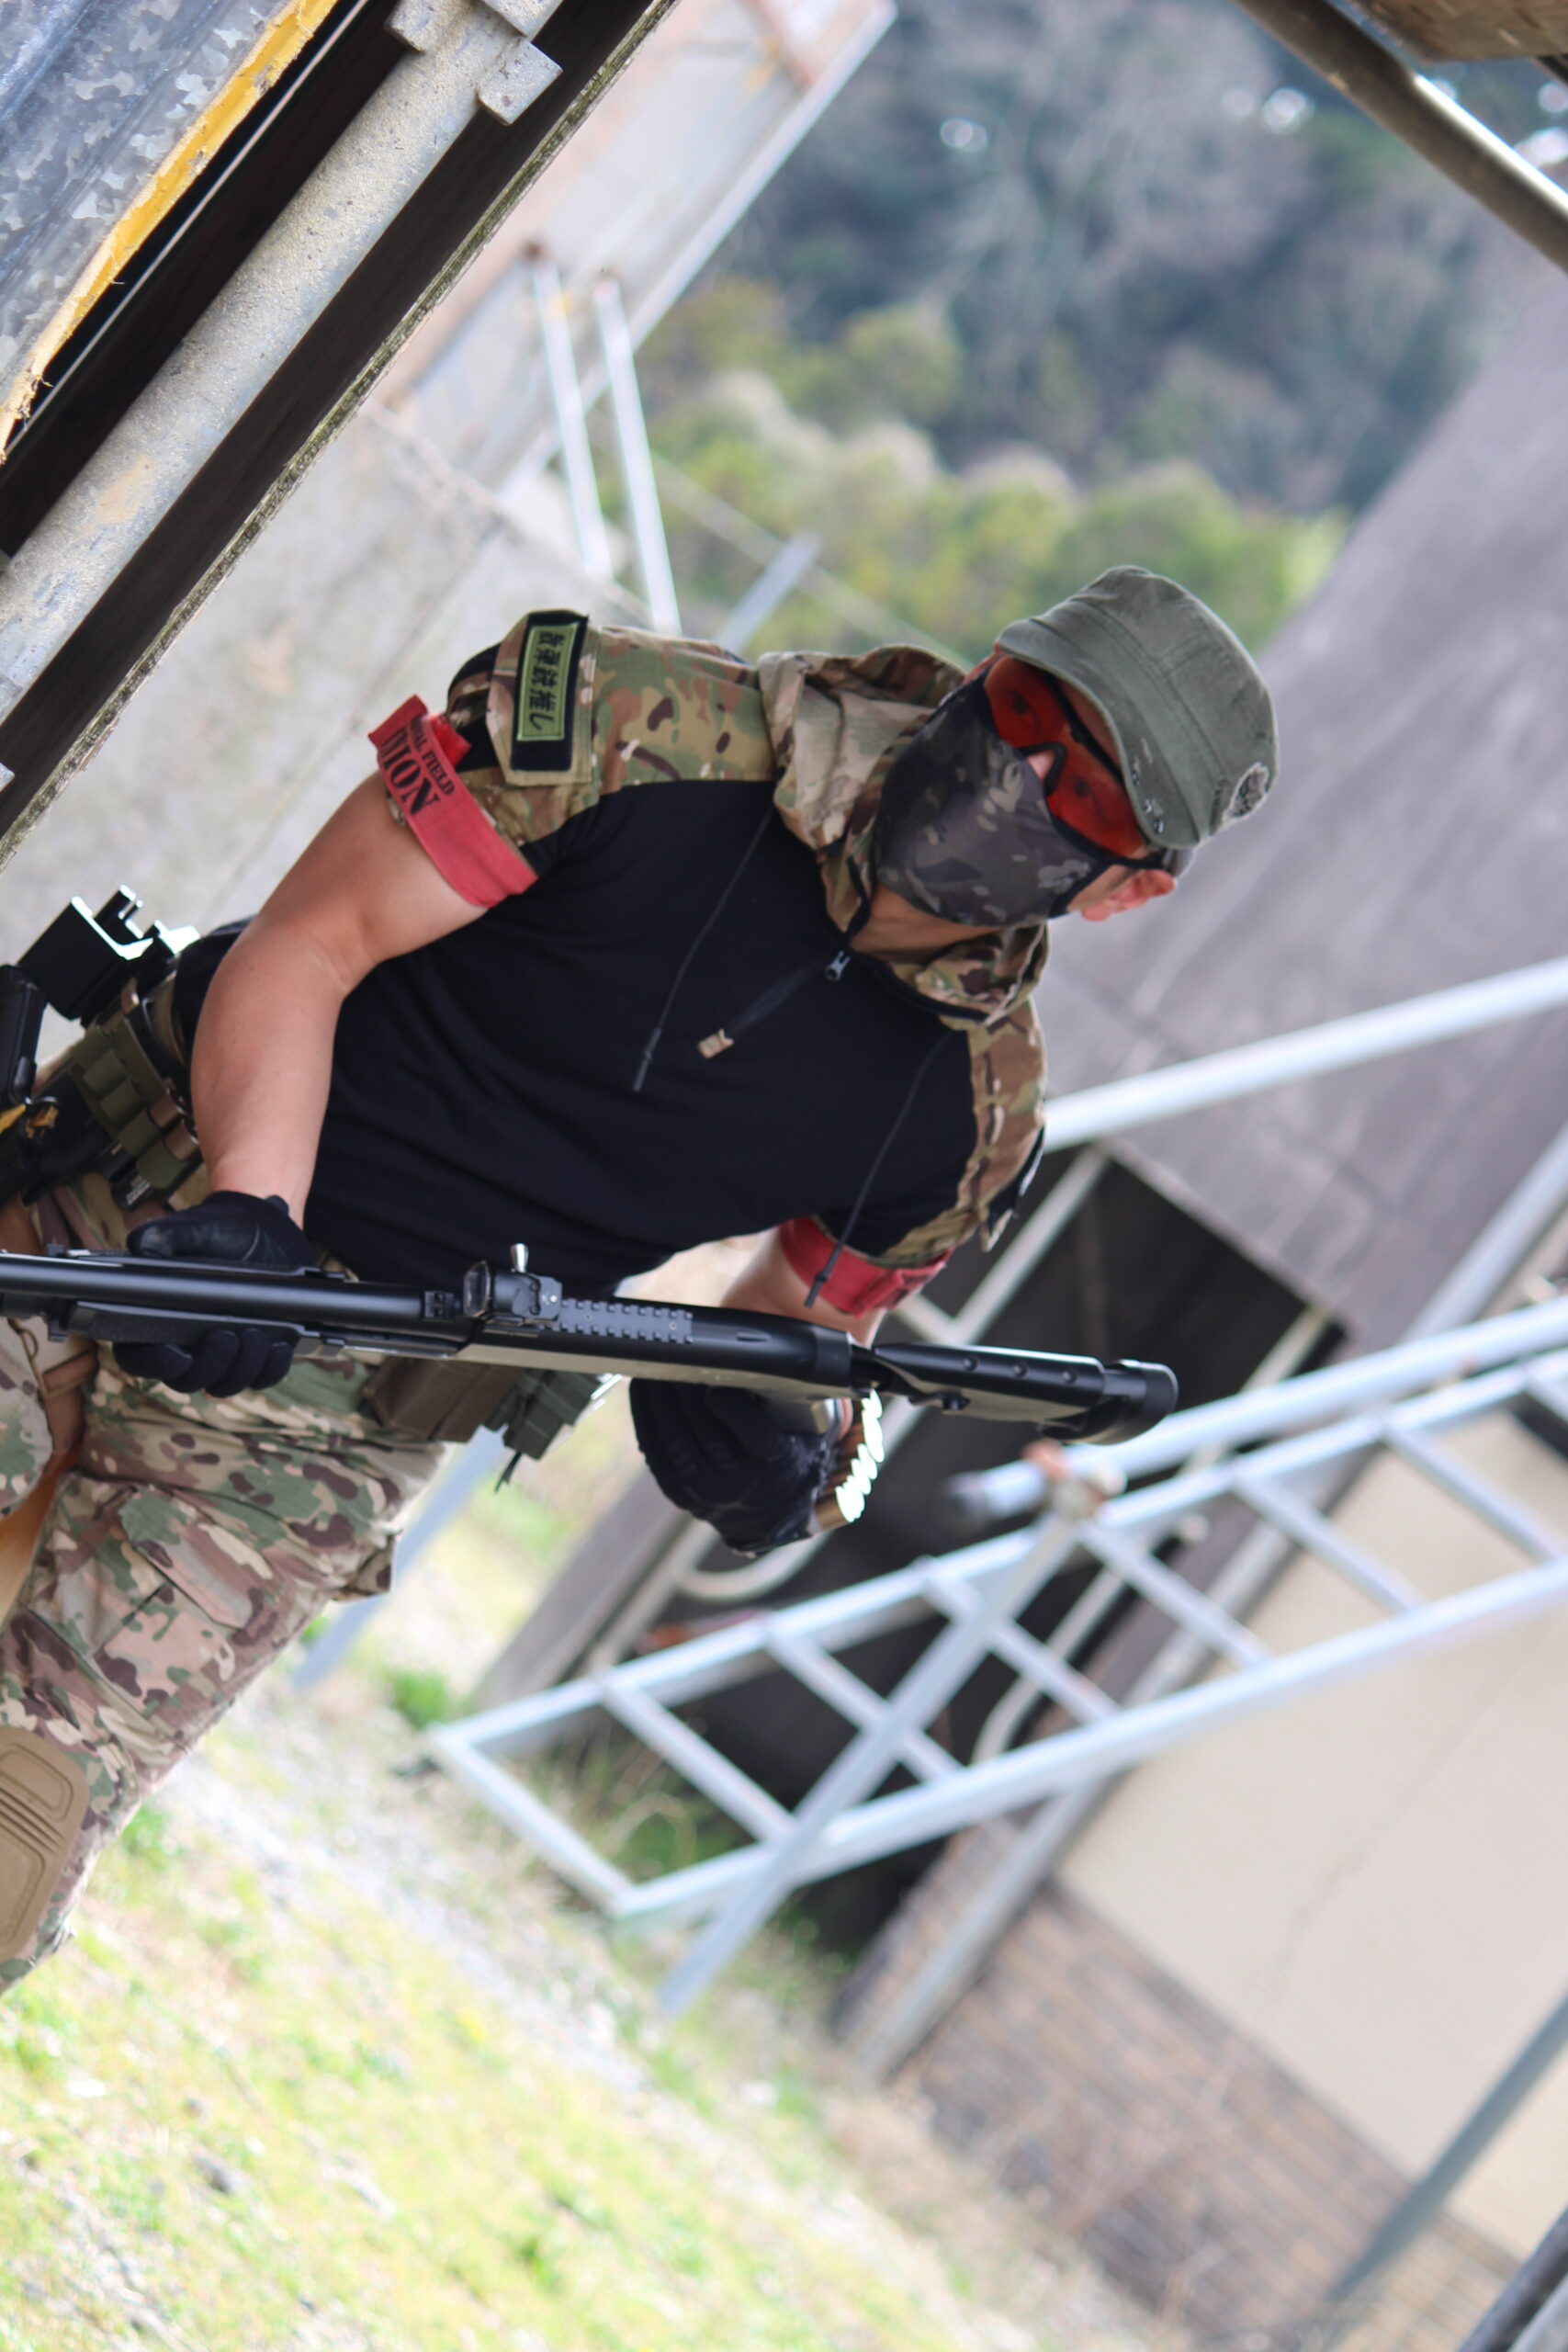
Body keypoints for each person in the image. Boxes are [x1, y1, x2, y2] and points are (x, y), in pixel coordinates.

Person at [0, 565, 1276, 1984]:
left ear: (1131, 887)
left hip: (333, 1424)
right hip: (121, 1206)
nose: (1020, 776)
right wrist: (255, 1212)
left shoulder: (969, 1114)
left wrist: (777, 1456)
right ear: (986, 669)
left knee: (11, 1854)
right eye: (1030, 710)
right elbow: (313, 941)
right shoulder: (644, 728)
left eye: (1087, 795)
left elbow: (797, 1329)